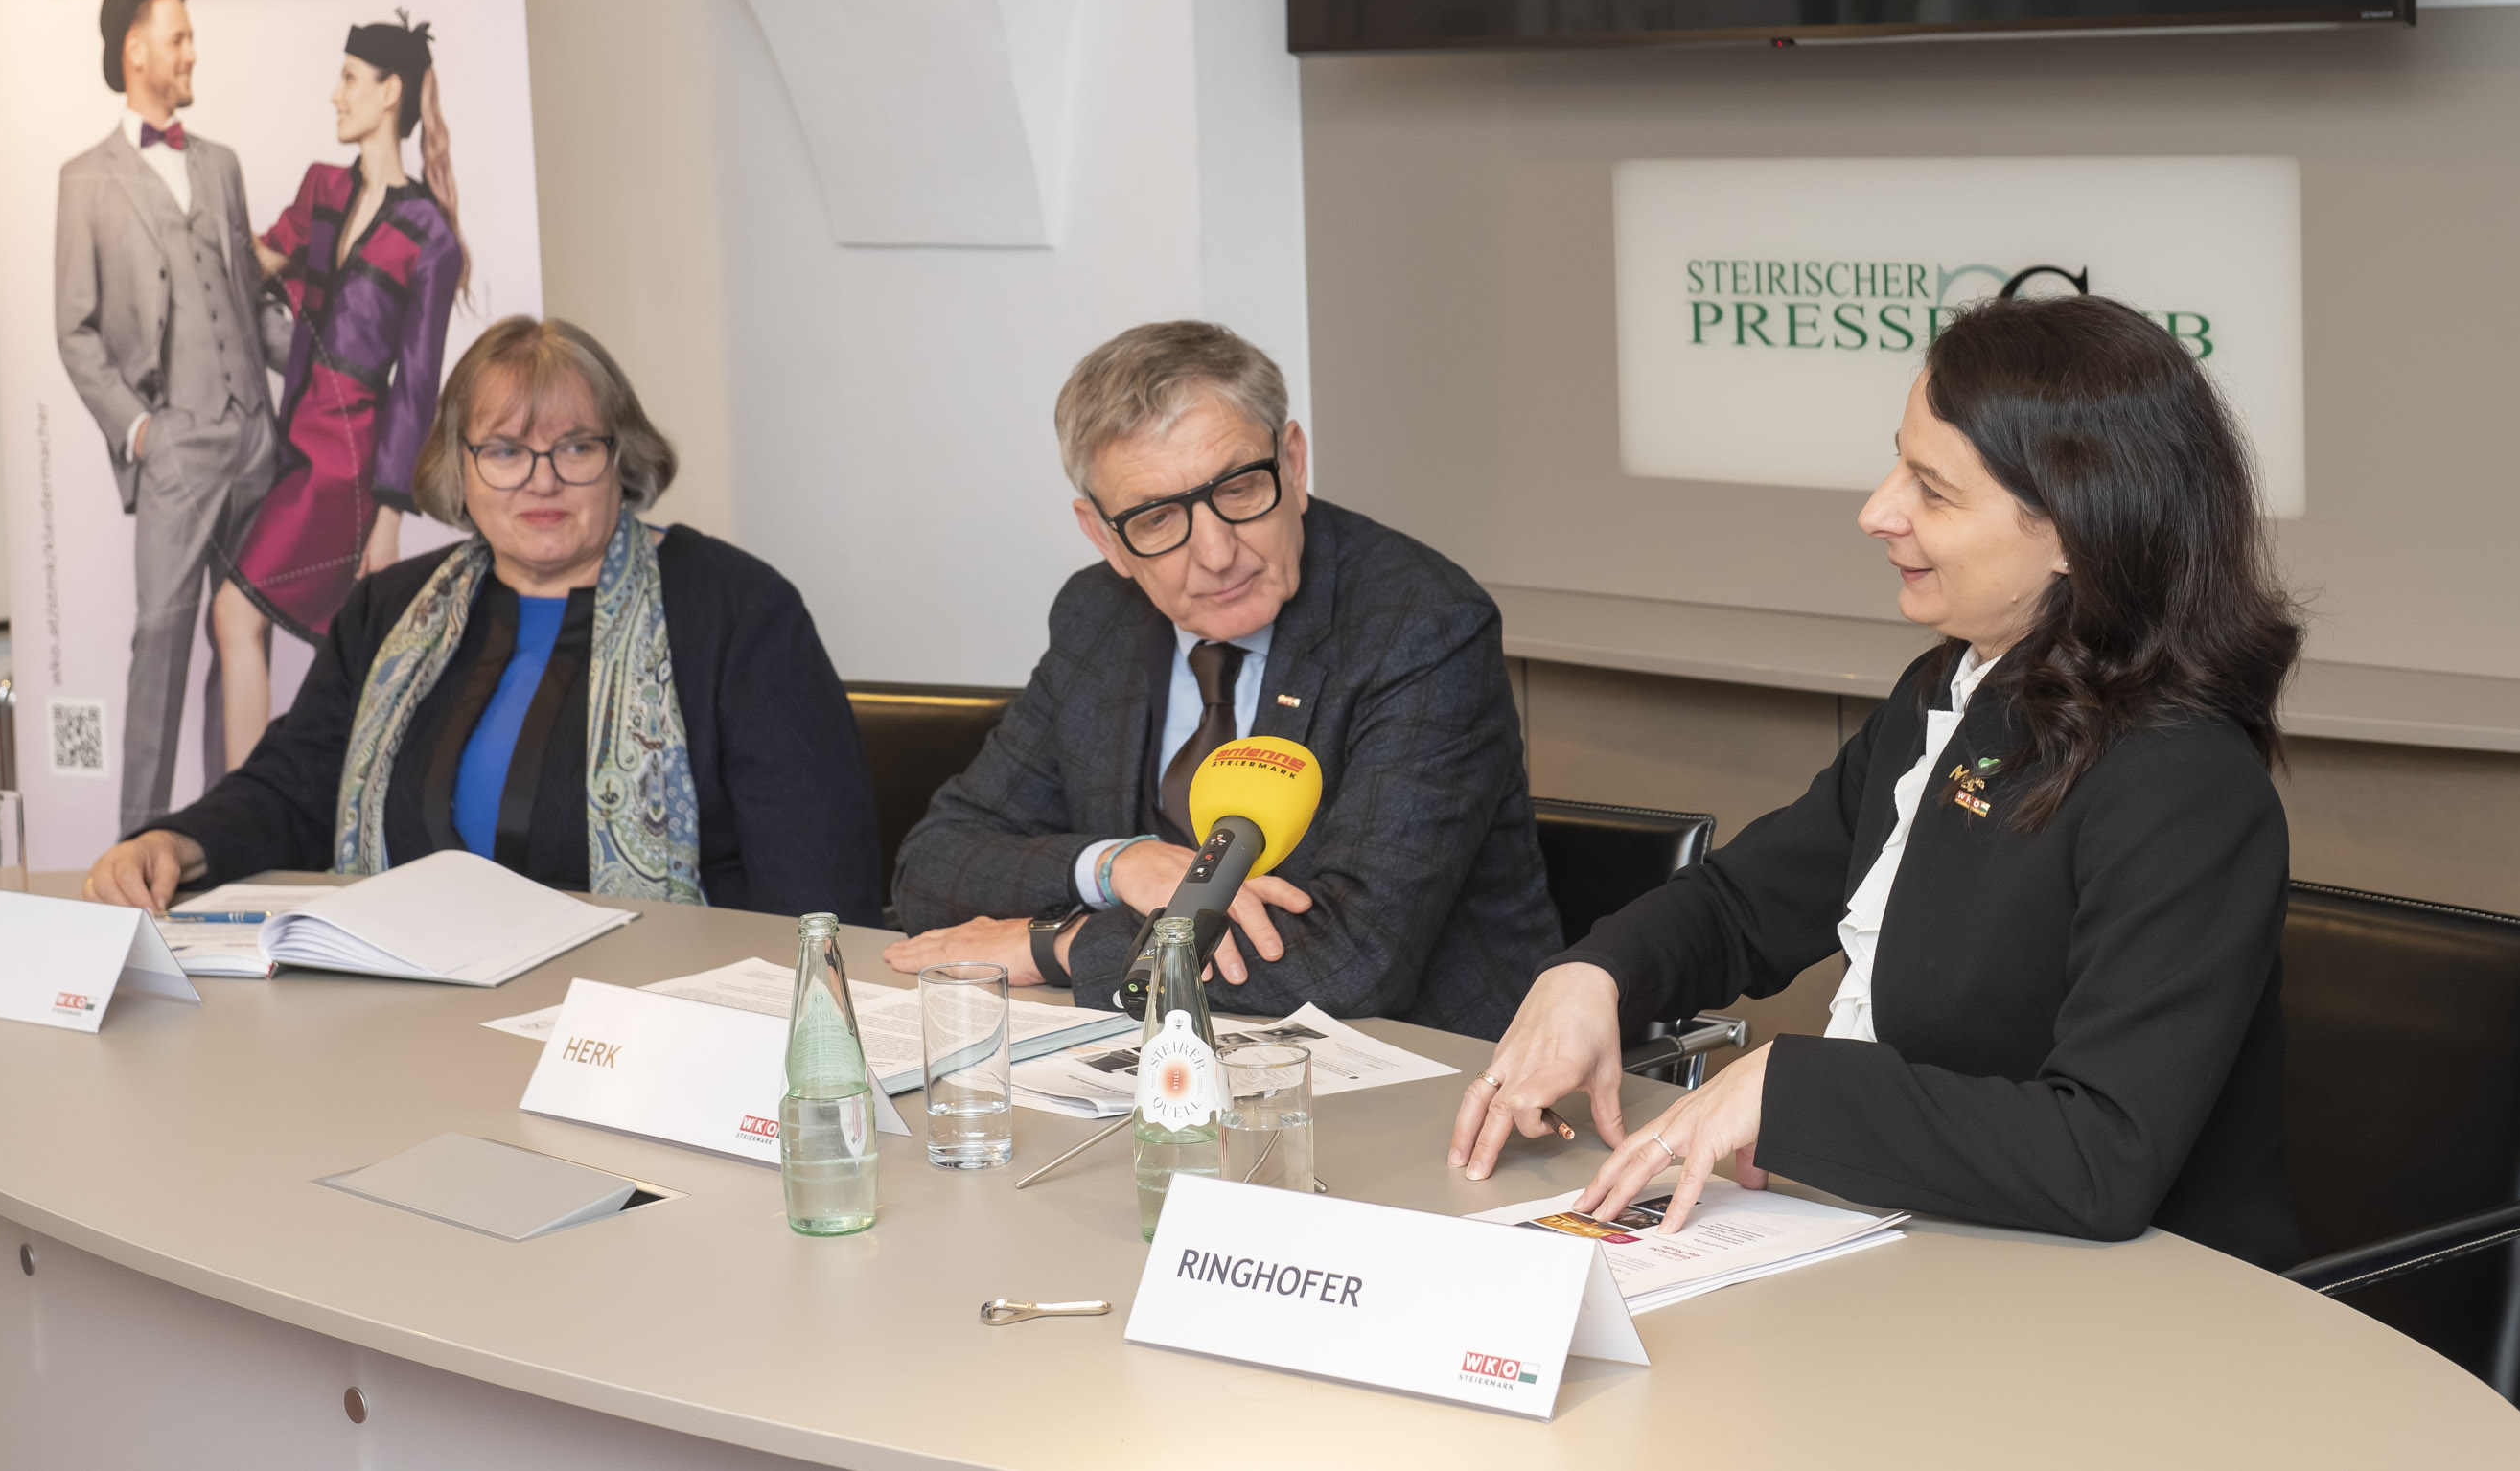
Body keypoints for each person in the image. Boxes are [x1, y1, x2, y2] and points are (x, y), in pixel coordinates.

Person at [1451, 293, 2304, 1269]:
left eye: (1932, 490)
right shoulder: (1954, 683)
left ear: (2076, 530)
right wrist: (1593, 975)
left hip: (2136, 1317)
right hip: (1929, 1255)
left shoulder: (2186, 782)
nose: (1877, 511)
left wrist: (1789, 1089)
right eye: (1897, 463)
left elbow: (2101, 1155)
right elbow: (1747, 904)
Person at [86, 316, 883, 922]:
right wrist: (175, 843)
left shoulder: (740, 615)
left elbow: (820, 896)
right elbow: (296, 787)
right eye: (504, 451)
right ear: (457, 470)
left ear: (621, 458)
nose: (541, 481)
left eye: (573, 448)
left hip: (647, 1038)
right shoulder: (389, 611)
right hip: (404, 1021)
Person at [884, 320, 1557, 1036]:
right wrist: (1120, 866)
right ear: (1103, 537)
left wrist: (1055, 945)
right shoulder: (1095, 616)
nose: (1214, 552)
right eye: (1155, 518)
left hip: (1419, 1065)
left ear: (1292, 464)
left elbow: (1351, 961)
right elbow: (933, 866)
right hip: (1161, 1053)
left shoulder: (1418, 625)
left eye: (1237, 489)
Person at [206, 12, 470, 768]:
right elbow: (254, 263)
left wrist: (388, 518)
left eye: (350, 78)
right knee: (339, 656)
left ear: (391, 92)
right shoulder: (322, 188)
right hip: (295, 441)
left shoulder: (430, 233)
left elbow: (417, 384)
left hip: (349, 464)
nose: (335, 94)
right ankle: (293, 807)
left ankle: (243, 808)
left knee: (235, 612)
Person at [55, 0, 279, 836]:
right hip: (177, 447)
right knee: (162, 642)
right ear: (134, 48)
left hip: (256, 442)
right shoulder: (85, 180)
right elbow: (74, 330)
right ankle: (132, 851)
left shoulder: (219, 166)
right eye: (178, 36)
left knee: (247, 642)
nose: (192, 51)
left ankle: (246, 833)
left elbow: (251, 307)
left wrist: (331, 383)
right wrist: (139, 429)